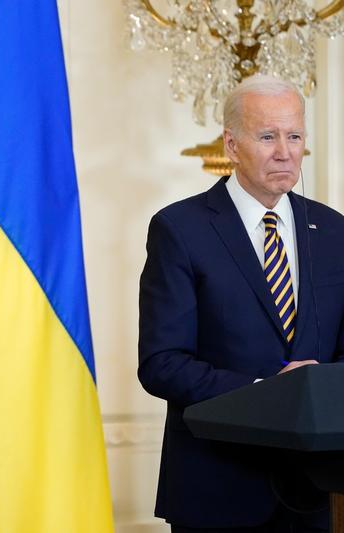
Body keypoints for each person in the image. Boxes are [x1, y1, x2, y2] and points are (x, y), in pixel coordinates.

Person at [139, 75, 344, 531]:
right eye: (267, 136)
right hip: (217, 489)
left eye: (294, 136)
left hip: (316, 493)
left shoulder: (334, 232)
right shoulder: (180, 230)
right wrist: (266, 389)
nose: (284, 152)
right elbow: (161, 363)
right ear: (231, 144)